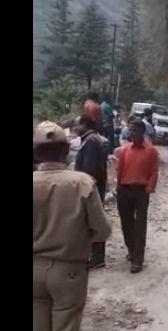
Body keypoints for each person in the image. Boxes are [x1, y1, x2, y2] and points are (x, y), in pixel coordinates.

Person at [33, 121, 111, 331]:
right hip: (70, 272)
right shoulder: (82, 183)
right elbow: (103, 231)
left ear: (36, 153)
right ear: (67, 150)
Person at [116, 119, 159, 273]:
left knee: (140, 226)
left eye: (134, 130)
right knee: (126, 224)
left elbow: (154, 171)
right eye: (130, 130)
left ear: (142, 131)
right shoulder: (125, 150)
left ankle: (137, 260)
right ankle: (132, 250)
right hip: (125, 190)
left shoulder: (151, 151)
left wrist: (149, 189)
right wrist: (118, 188)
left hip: (141, 192)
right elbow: (119, 170)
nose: (131, 133)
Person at [74, 115, 109, 269]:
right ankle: (94, 255)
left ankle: (97, 257)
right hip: (93, 188)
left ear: (85, 125)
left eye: (77, 124)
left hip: (90, 189)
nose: (75, 128)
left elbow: (89, 170)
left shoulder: (91, 142)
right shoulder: (92, 140)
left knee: (93, 220)